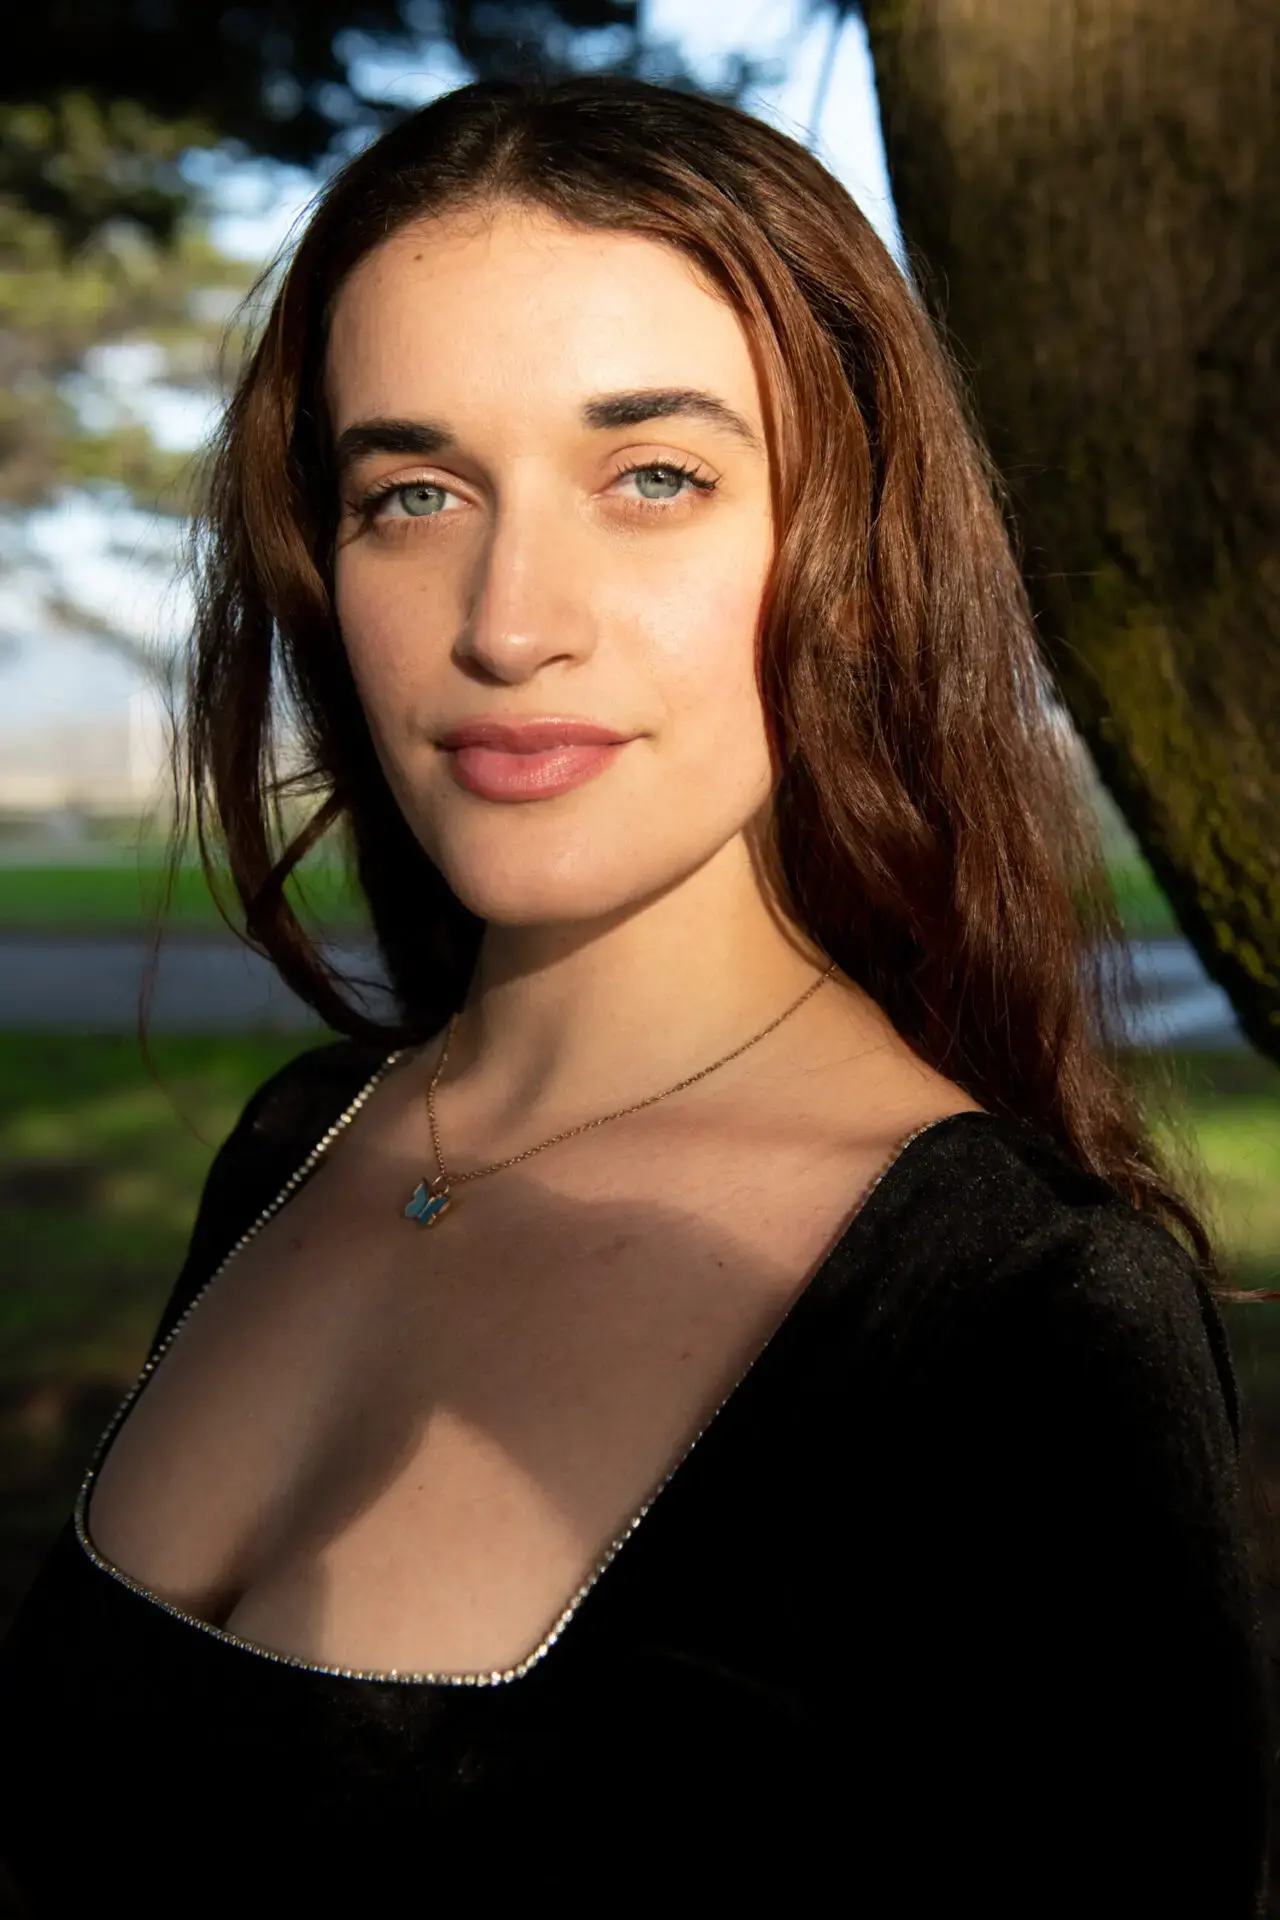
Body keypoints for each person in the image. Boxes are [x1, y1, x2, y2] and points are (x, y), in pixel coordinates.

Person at [0, 71, 1271, 1915]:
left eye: (653, 475)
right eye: (413, 490)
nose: (509, 620)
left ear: (850, 553)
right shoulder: (304, 1140)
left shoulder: (1022, 1316)